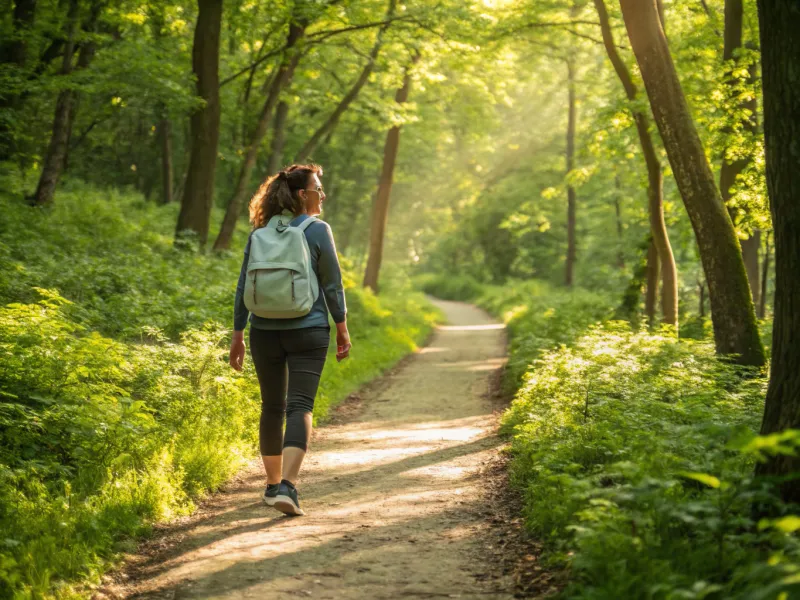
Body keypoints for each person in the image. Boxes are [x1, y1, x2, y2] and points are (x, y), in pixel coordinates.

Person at [228, 163, 352, 516]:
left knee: (271, 407)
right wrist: (342, 328)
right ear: (302, 194)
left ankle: (270, 486)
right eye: (317, 189)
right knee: (300, 405)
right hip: (308, 328)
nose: (322, 195)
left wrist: (238, 333)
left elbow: (243, 286)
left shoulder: (261, 232)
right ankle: (288, 486)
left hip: (263, 331)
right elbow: (332, 283)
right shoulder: (317, 230)